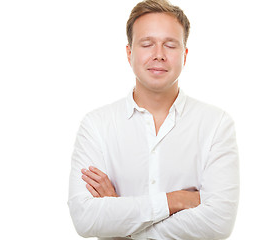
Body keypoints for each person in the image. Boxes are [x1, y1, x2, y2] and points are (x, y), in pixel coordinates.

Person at [68, 0, 239, 239]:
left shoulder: (216, 124)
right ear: (129, 53)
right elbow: (85, 219)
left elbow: (218, 223)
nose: (158, 55)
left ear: (184, 55)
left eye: (170, 45)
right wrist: (174, 201)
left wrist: (121, 221)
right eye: (147, 44)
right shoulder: (96, 125)